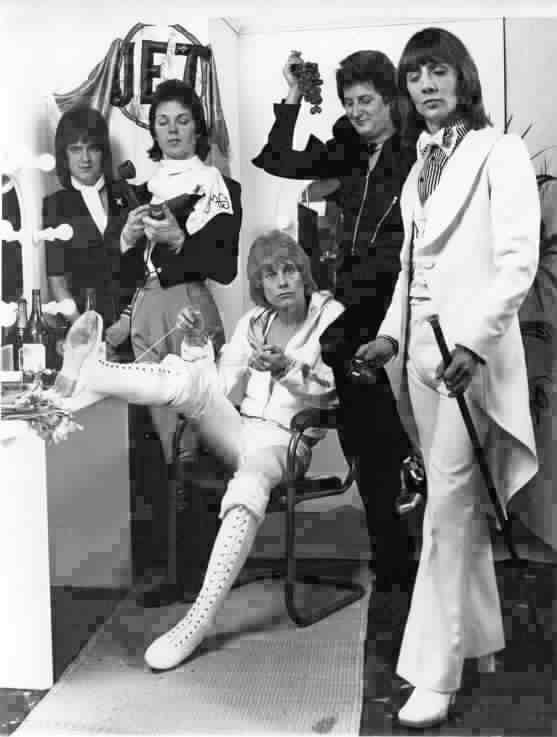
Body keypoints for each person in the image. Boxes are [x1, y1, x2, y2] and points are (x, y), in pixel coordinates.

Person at [50, 229, 344, 670]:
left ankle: (197, 620)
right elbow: (217, 386)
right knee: (191, 382)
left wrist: (286, 368)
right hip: (241, 430)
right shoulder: (253, 323)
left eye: (289, 271)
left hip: (287, 441)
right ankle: (93, 373)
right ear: (259, 285)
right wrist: (195, 341)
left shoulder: (330, 317)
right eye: (270, 275)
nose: (282, 281)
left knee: (251, 479)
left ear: (304, 274)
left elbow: (333, 391)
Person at [359, 28, 539, 727]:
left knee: (443, 511)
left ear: (462, 77)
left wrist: (473, 343)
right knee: (451, 503)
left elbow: (517, 262)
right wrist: (388, 335)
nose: (426, 85)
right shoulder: (417, 169)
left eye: (437, 71)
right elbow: (411, 272)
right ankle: (482, 641)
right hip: (418, 360)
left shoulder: (500, 151)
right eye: (414, 77)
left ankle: (432, 673)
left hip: (470, 359)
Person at [253, 50, 418, 596]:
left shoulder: (416, 152)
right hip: (350, 301)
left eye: (366, 100)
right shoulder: (347, 147)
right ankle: (394, 547)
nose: (357, 111)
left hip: (398, 298)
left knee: (362, 409)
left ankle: (400, 514)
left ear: (391, 100)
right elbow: (278, 158)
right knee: (362, 435)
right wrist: (293, 94)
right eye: (349, 102)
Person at [43, 106, 130, 328]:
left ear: (103, 152)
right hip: (83, 322)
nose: (85, 159)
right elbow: (57, 282)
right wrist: (83, 328)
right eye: (75, 149)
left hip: (135, 321)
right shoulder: (55, 206)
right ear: (64, 155)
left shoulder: (127, 194)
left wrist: (129, 321)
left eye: (92, 148)